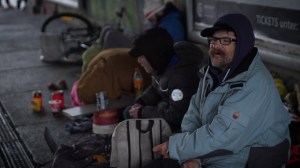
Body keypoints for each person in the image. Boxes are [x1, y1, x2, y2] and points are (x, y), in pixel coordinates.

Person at [146, 13, 291, 168]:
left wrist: (177, 147)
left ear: (242, 44)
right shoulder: (212, 73)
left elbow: (224, 135)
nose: (216, 46)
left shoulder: (254, 83)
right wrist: (193, 157)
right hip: (221, 152)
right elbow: (193, 115)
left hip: (250, 158)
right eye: (213, 40)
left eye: (225, 40)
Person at [123, 27, 203, 132]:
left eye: (141, 56)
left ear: (153, 55)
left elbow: (178, 116)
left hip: (182, 128)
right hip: (165, 108)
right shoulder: (164, 62)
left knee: (133, 118)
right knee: (128, 111)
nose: (139, 61)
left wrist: (142, 112)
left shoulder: (181, 76)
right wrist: (141, 102)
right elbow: (157, 86)